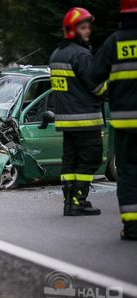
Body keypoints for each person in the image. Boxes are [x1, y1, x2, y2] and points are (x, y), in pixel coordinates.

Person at [49, 7, 104, 216]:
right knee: (89, 160)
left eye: (88, 26)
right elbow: (97, 87)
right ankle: (78, 200)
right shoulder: (81, 54)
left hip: (66, 121)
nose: (88, 31)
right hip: (86, 120)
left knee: (70, 162)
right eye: (83, 27)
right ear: (73, 30)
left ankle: (69, 201)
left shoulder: (57, 54)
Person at [89, 0, 137, 240]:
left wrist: (109, 92)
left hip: (125, 121)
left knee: (128, 173)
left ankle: (131, 227)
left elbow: (93, 77)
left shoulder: (115, 42)